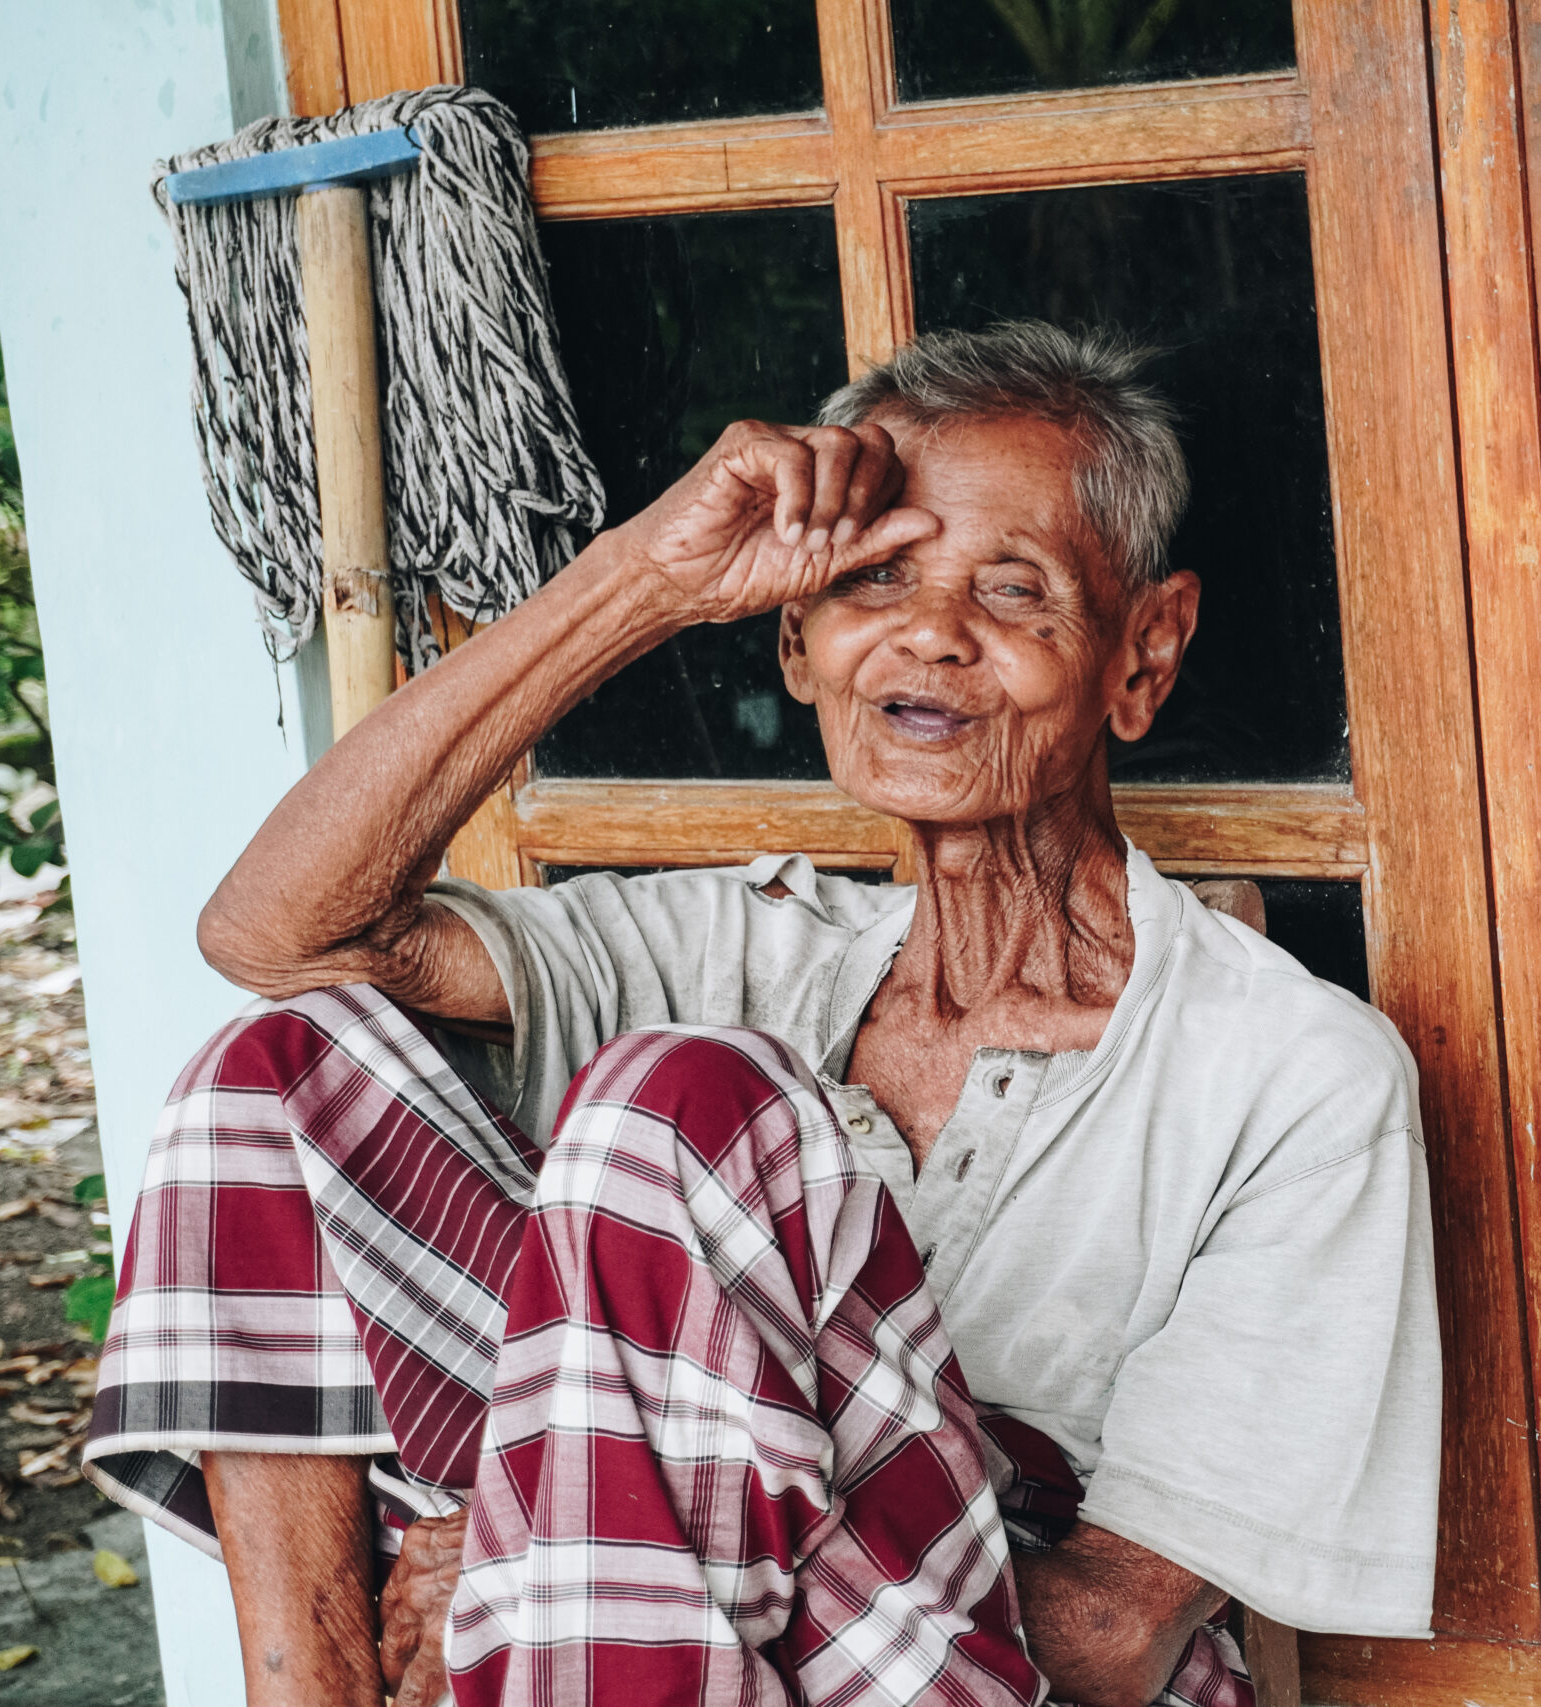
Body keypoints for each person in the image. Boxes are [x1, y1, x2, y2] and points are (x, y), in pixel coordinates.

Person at [82, 322, 1440, 1707]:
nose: (929, 634)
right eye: (877, 579)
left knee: (680, 1103)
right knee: (281, 1069)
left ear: (1140, 656)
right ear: (795, 637)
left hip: (992, 1677)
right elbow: (278, 938)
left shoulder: (1295, 1076)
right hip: (638, 1645)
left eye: (1014, 591)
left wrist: (541, 1549)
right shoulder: (746, 943)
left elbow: (1108, 1635)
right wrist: (643, 582)